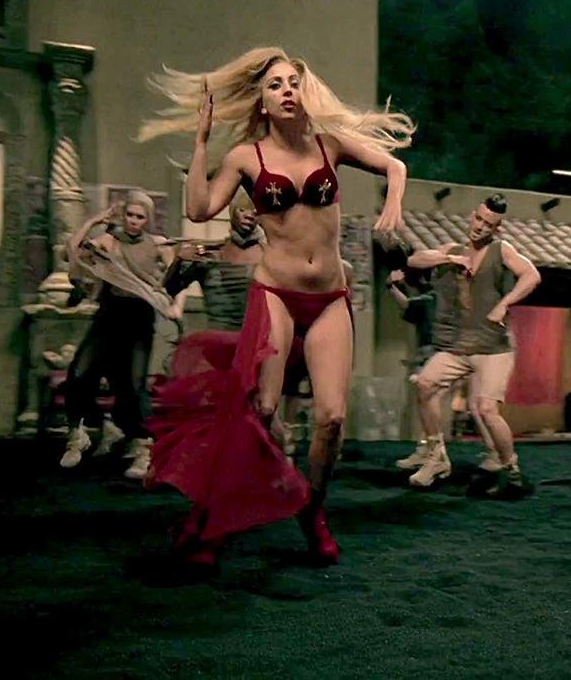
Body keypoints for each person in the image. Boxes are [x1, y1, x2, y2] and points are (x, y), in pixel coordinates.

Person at [137, 46, 413, 567]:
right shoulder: (247, 157)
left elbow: (394, 165)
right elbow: (199, 208)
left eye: (293, 82)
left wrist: (393, 202)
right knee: (261, 411)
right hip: (275, 294)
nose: (287, 90)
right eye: (275, 85)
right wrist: (201, 143)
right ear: (262, 102)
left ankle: (313, 511)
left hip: (329, 298)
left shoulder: (331, 145)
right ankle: (216, 519)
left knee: (332, 418)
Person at [395, 194, 541, 488]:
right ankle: (436, 456)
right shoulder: (453, 249)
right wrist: (450, 259)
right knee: (424, 384)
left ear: (496, 228)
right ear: (473, 216)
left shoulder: (501, 250)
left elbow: (531, 275)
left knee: (486, 409)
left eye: (488, 224)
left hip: (493, 348)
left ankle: (510, 466)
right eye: (479, 219)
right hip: (459, 347)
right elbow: (414, 259)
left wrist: (504, 303)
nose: (480, 227)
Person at [61, 191, 178, 479]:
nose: (134, 221)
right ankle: (79, 434)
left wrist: (172, 303)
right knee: (79, 372)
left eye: (140, 217)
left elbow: (178, 275)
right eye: (130, 215)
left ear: (148, 219)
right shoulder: (109, 241)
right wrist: (94, 221)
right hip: (109, 314)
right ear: (123, 216)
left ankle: (143, 446)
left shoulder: (157, 243)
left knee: (134, 384)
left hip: (139, 317)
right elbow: (71, 250)